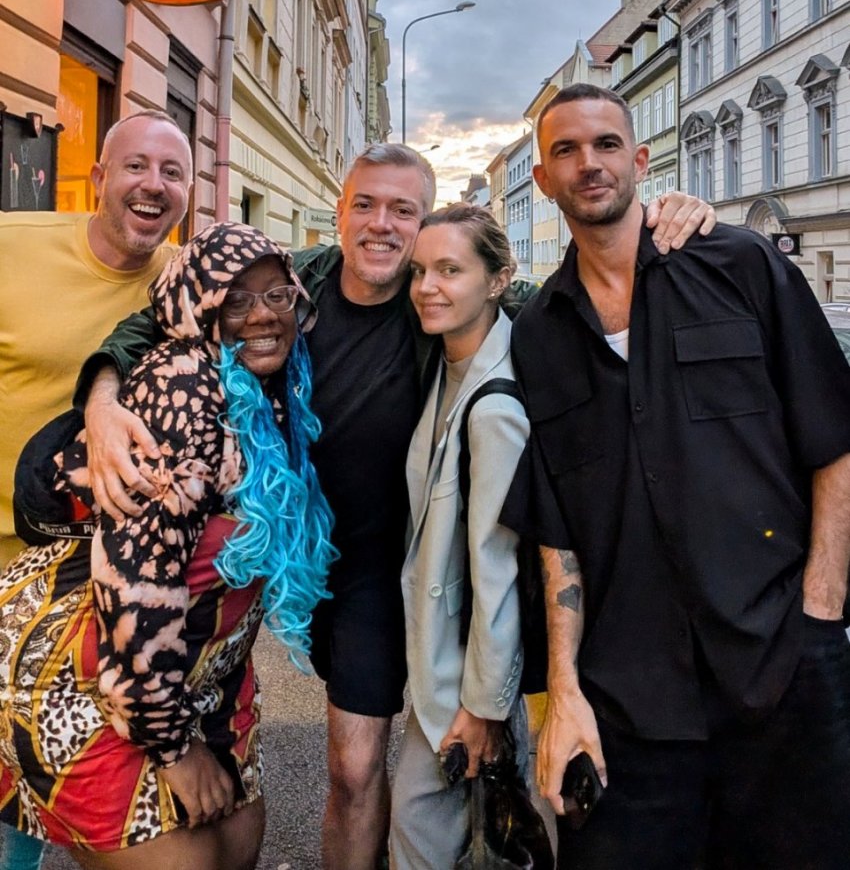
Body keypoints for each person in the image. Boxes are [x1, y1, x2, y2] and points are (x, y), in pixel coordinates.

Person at [74, 144, 715, 870]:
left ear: (423, 221)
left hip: (421, 561)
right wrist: (101, 393)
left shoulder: (442, 289)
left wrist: (663, 221)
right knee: (328, 759)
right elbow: (168, 319)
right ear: (341, 211)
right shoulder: (296, 283)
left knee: (408, 756)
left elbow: (570, 298)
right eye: (367, 205)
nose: (382, 225)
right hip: (328, 568)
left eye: (403, 210)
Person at [505, 83, 850, 868]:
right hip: (627, 701)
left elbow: (834, 438)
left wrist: (821, 618)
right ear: (542, 179)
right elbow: (557, 527)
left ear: (641, 159)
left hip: (779, 665)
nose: (589, 163)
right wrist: (565, 689)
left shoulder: (739, 263)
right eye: (566, 150)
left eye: (605, 144)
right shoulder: (539, 333)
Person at [0, 222, 336, 869]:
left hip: (198, 678)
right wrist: (177, 750)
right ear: (200, 308)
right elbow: (133, 587)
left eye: (278, 295)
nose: (263, 315)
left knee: (237, 841)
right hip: (93, 668)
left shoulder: (279, 386)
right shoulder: (184, 389)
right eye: (236, 300)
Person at [0, 109, 192, 870]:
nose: (153, 185)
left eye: (172, 172)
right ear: (98, 177)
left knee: (55, 771)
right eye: (136, 166)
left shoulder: (185, 281)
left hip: (90, 571)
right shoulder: (14, 249)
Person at [389, 204, 528, 869]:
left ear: (499, 279)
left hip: (463, 674)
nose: (427, 286)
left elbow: (495, 565)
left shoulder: (495, 405)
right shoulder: (444, 362)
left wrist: (484, 706)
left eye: (450, 269)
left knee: (421, 831)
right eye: (419, 270)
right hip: (437, 653)